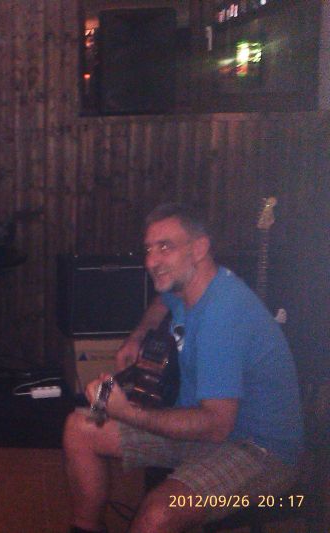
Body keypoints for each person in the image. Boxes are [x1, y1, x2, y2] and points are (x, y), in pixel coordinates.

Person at [62, 203, 304, 533]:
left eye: (165, 247)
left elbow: (216, 426)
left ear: (199, 248)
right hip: (201, 423)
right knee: (80, 428)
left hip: (260, 451)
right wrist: (138, 336)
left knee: (159, 513)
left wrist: (127, 411)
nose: (151, 261)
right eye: (149, 249)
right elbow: (163, 300)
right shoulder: (190, 284)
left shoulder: (223, 314)